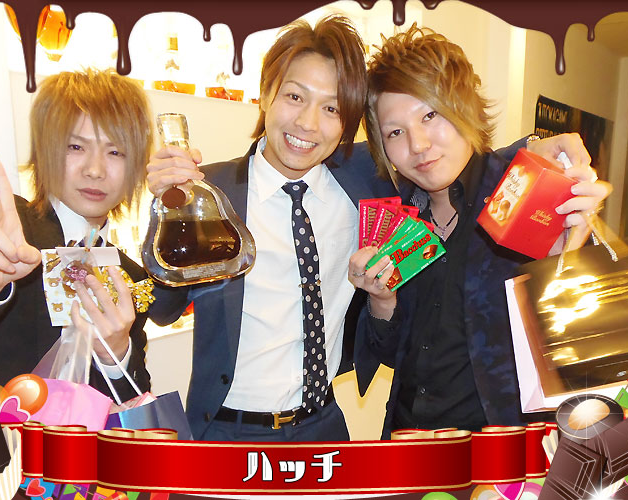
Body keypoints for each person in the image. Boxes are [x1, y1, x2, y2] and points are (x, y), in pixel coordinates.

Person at [147, 16, 593, 441]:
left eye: (331, 108)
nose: (308, 124)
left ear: (346, 123)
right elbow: (163, 309)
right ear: (265, 94)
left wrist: (536, 149)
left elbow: (458, 159)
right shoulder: (210, 193)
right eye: (295, 97)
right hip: (225, 431)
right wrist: (167, 215)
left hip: (326, 427)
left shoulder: (362, 182)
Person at [348, 25, 612, 436]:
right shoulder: (399, 217)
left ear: (464, 107)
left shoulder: (523, 193)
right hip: (408, 439)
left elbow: (578, 342)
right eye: (395, 132)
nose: (418, 145)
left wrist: (570, 256)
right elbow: (390, 353)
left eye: (430, 115)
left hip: (501, 447)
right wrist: (382, 300)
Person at [0, 69, 153, 401]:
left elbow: (133, 403)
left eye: (116, 152)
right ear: (45, 151)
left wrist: (116, 354)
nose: (94, 170)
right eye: (75, 146)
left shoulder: (128, 274)